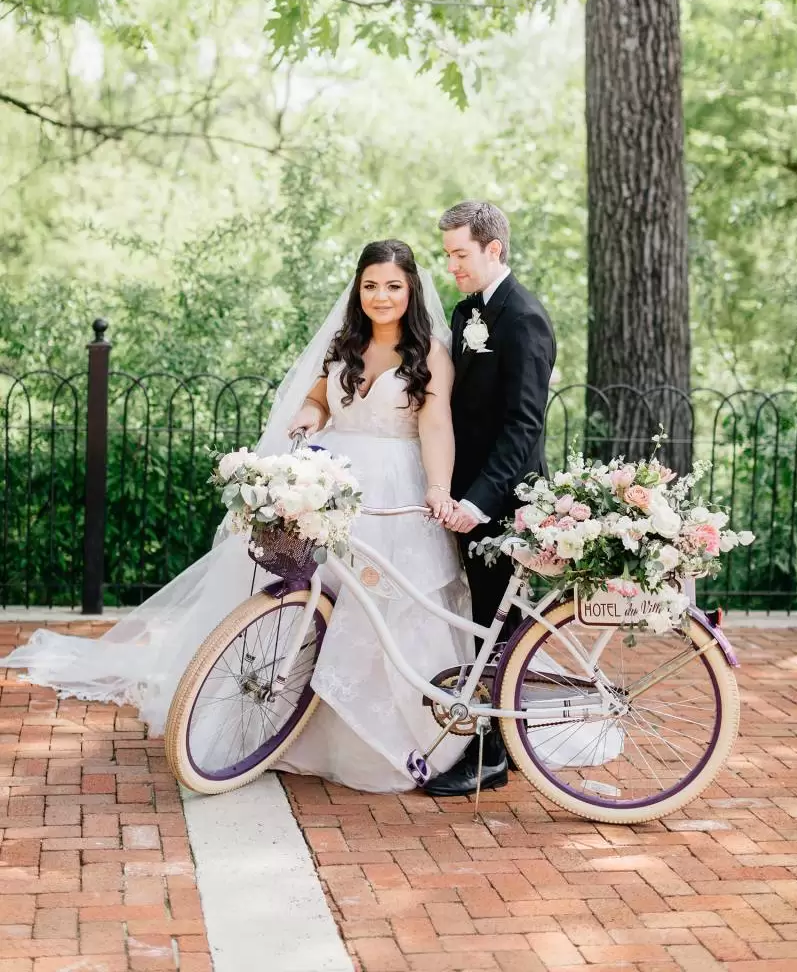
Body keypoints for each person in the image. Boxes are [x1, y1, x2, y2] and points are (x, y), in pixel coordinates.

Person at [0, 240, 472, 793]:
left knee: (381, 610)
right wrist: (306, 417)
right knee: (306, 597)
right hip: (334, 483)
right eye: (371, 285)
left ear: (411, 288)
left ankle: (376, 740)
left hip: (395, 490)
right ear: (358, 289)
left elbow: (437, 425)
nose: (381, 296)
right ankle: (283, 725)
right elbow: (320, 401)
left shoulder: (430, 351)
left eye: (393, 285)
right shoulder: (345, 344)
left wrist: (438, 490)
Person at [424, 201, 557, 796]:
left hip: (503, 502)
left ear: (493, 249)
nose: (451, 265)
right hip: (465, 496)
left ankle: (494, 754)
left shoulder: (523, 318)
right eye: (448, 254)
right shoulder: (466, 311)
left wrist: (478, 501)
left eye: (460, 254)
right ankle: (486, 738)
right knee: (478, 623)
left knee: (495, 629)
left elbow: (524, 427)